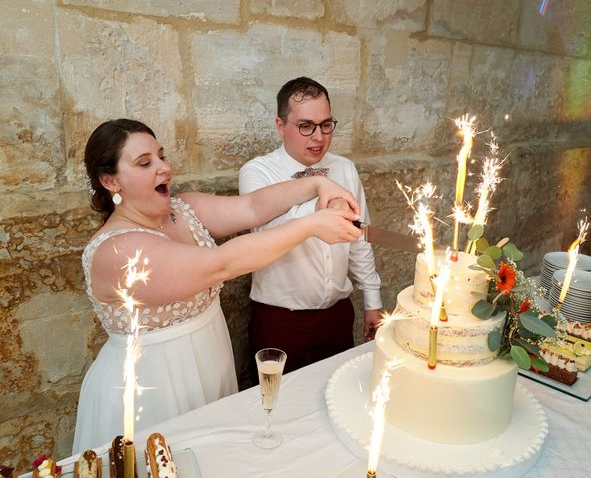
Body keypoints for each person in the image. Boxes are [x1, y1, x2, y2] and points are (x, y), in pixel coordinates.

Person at [73, 118, 361, 453]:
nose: (164, 168)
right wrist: (310, 225)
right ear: (110, 181)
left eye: (161, 156)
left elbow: (251, 207)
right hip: (152, 387)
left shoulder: (183, 209)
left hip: (210, 361)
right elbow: (220, 264)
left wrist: (316, 185)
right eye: (145, 163)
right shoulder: (115, 251)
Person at [239, 77, 383, 375]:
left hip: (338, 316)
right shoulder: (257, 172)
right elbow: (266, 239)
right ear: (281, 126)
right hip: (280, 321)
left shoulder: (345, 168)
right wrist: (320, 207)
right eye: (306, 126)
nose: (318, 137)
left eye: (326, 125)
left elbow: (359, 238)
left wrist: (373, 300)